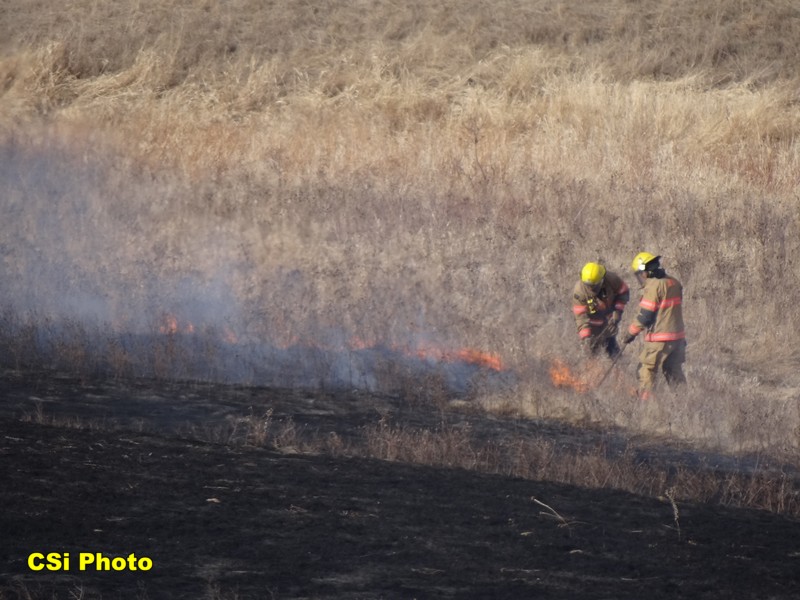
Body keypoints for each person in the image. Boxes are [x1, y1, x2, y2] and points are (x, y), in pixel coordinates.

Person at [622, 252, 686, 400]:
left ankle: (648, 406)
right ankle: (683, 403)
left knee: (646, 371)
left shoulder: (653, 286)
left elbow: (645, 315)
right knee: (674, 371)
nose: (641, 277)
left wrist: (630, 333)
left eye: (641, 273)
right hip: (678, 338)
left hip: (659, 338)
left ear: (645, 270)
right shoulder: (675, 283)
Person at [572, 261, 630, 358]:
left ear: (601, 280)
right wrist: (586, 337)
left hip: (608, 320)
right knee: (591, 354)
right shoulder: (579, 291)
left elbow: (623, 293)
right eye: (588, 285)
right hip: (591, 324)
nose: (590, 288)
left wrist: (617, 312)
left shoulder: (612, 280)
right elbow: (580, 317)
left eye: (593, 286)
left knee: (612, 349)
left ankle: (619, 366)